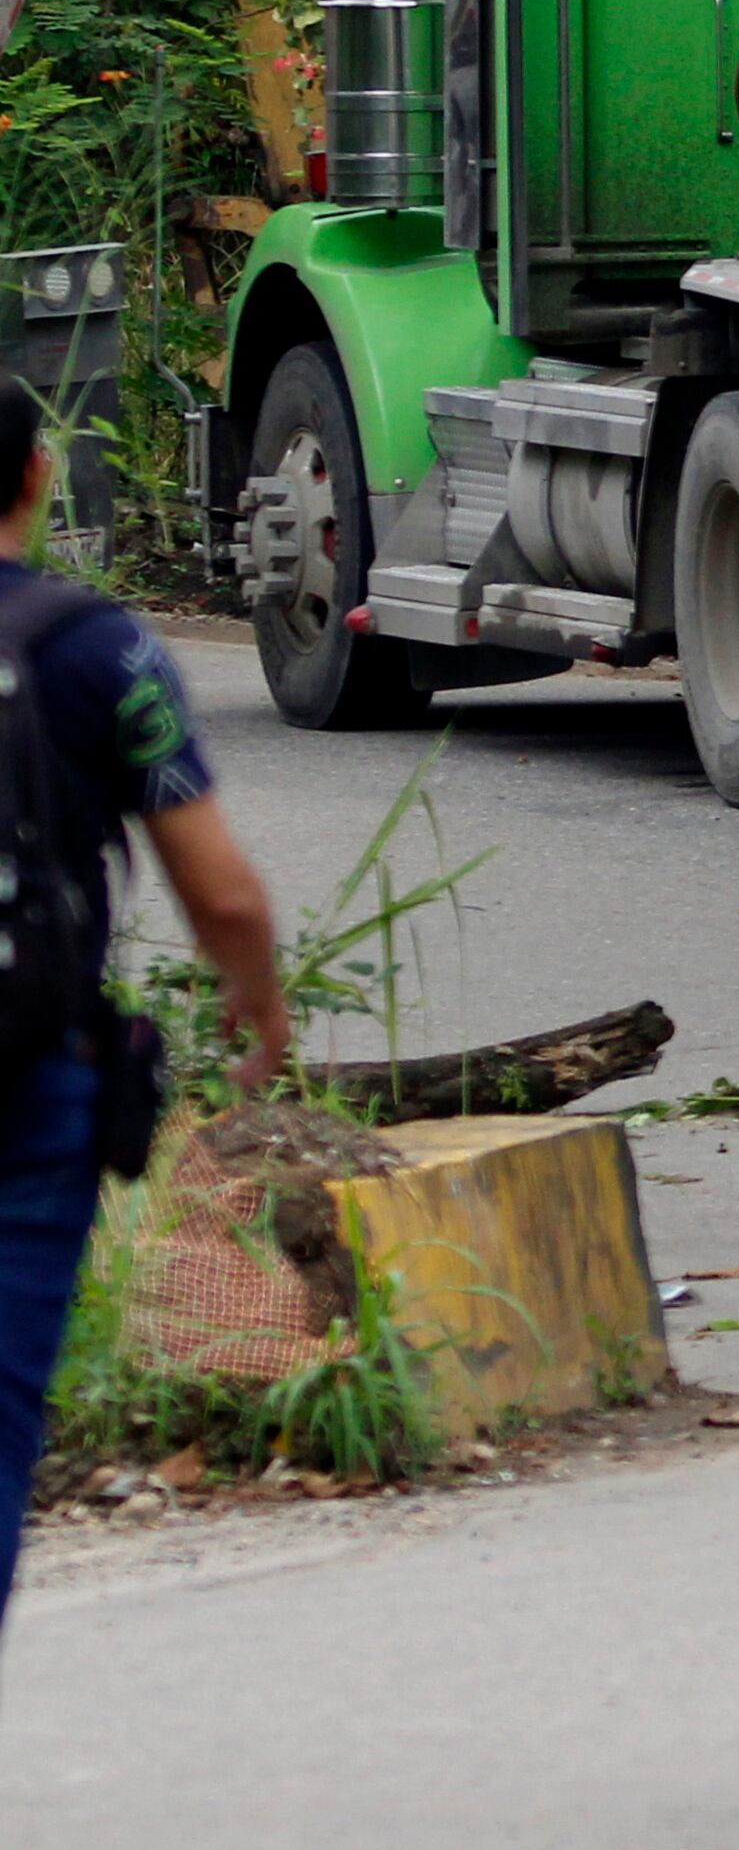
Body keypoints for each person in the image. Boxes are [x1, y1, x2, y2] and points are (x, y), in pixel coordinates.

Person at [0, 375, 283, 1632]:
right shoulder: (99, 646)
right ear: (37, 479)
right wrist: (256, 1005)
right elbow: (219, 895)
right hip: (31, 1078)